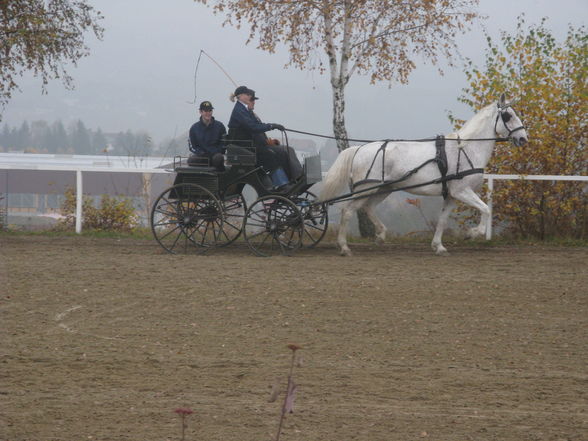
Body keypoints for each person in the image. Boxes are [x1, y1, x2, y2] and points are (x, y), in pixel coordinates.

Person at [227, 86, 302, 189]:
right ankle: (282, 184)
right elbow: (253, 127)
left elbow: (257, 128)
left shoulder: (246, 111)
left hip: (252, 145)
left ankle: (293, 179)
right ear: (240, 96)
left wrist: (268, 139)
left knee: (284, 151)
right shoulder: (239, 111)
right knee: (272, 154)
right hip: (245, 147)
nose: (249, 97)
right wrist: (271, 126)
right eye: (248, 94)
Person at [188, 100, 227, 170]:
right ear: (200, 112)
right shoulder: (194, 128)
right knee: (191, 160)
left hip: (215, 156)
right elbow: (192, 146)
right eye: (206, 111)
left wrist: (217, 151)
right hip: (202, 157)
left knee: (219, 158)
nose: (208, 113)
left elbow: (224, 143)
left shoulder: (220, 126)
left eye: (210, 111)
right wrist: (201, 153)